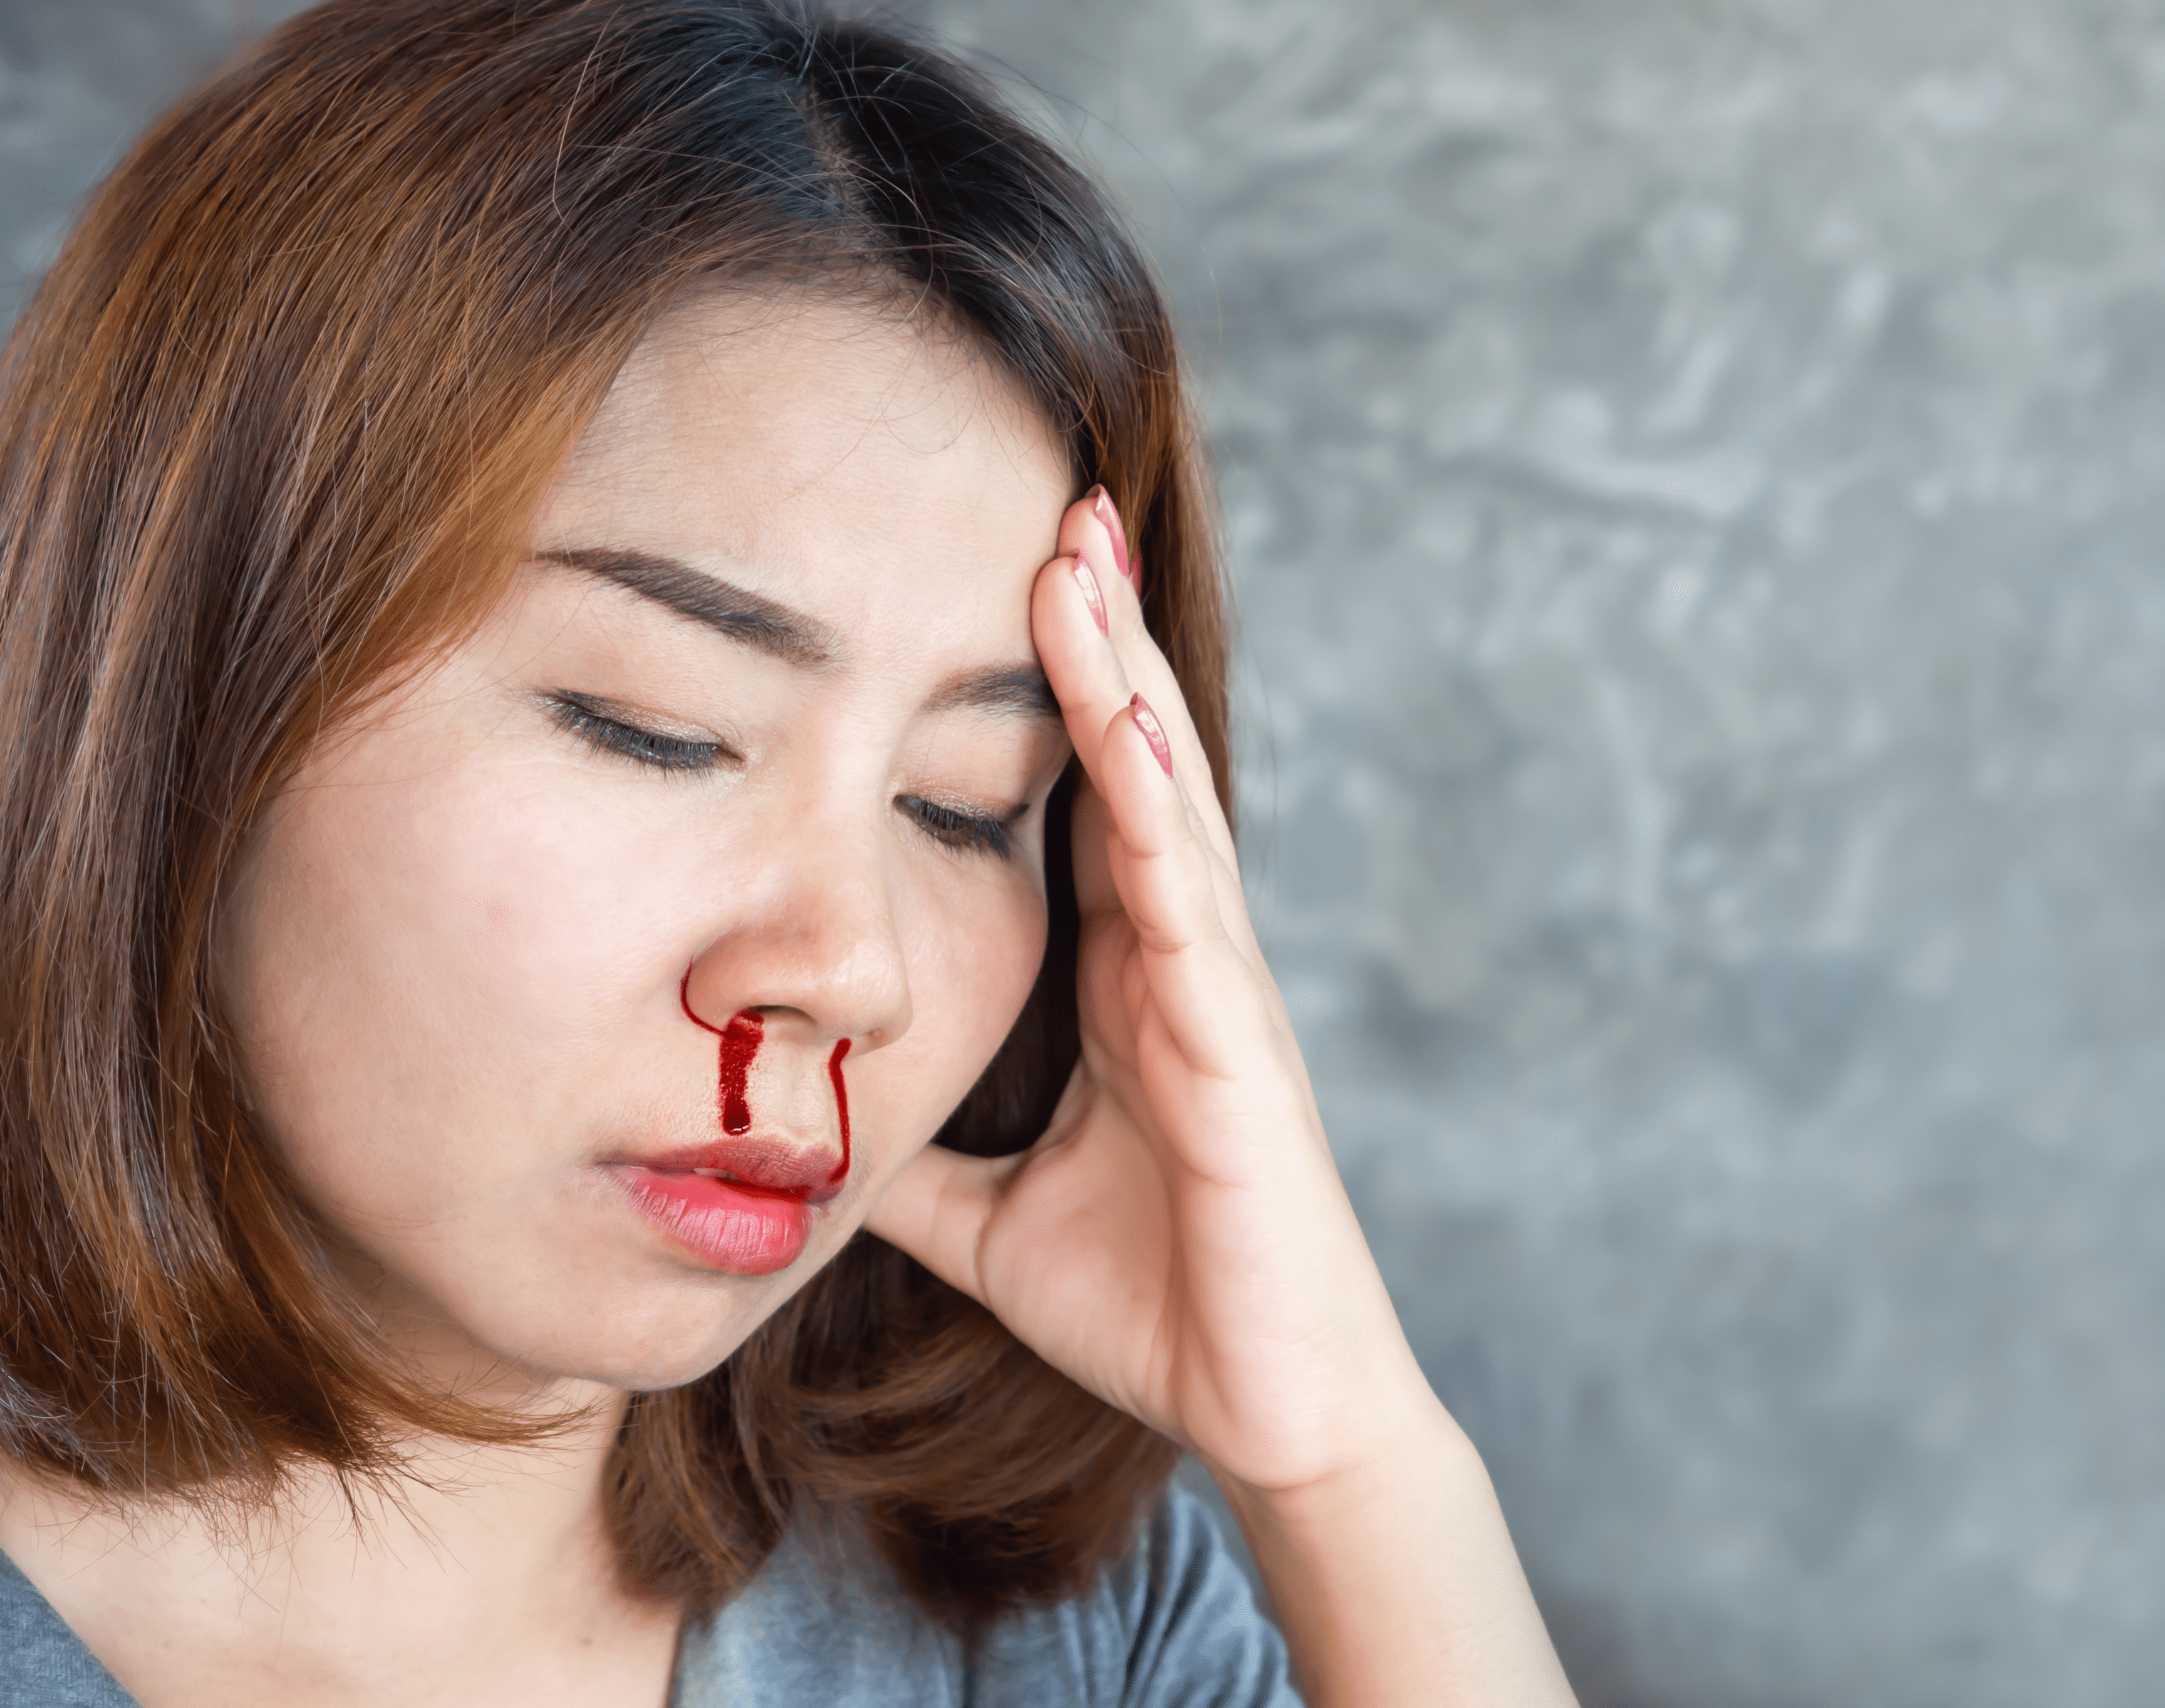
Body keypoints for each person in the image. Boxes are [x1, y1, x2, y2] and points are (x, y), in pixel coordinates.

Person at [0, 2, 1576, 1703]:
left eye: (968, 805)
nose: (853, 970)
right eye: (656, 724)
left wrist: (1347, 1467)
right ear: (176, 693)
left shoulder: (1059, 1636)